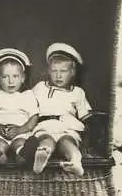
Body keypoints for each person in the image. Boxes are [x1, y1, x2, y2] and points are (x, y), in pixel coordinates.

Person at [31, 43, 92, 176]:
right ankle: (42, 156)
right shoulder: (40, 87)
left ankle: (75, 162)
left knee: (68, 141)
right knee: (46, 139)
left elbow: (86, 117)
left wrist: (89, 137)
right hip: (45, 124)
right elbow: (27, 106)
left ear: (72, 73)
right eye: (54, 71)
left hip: (67, 126)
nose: (58, 76)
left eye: (63, 71)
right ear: (48, 71)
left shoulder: (77, 92)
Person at [0, 48, 39, 165]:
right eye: (5, 77)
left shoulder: (28, 95)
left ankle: (22, 155)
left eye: (15, 76)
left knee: (20, 143)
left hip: (20, 130)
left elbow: (34, 117)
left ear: (23, 78)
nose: (11, 81)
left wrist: (20, 129)